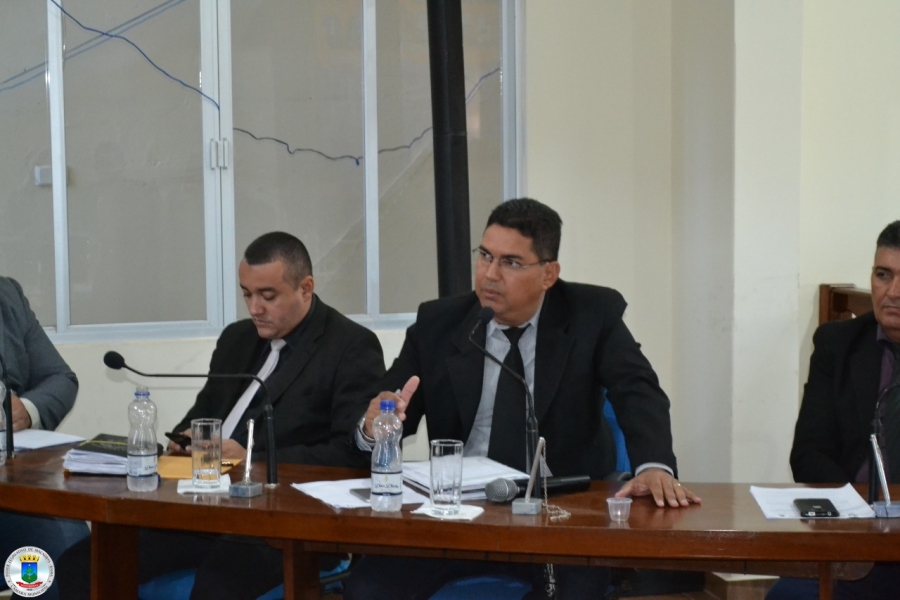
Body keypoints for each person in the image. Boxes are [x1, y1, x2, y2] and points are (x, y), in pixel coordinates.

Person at [344, 198, 699, 599]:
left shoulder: (591, 315)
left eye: (511, 262)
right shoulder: (439, 324)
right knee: (367, 589)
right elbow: (391, 406)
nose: (490, 274)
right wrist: (373, 428)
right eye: (485, 256)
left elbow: (638, 391)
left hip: (558, 516)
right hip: (457, 515)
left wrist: (653, 466)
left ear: (549, 273)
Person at [58, 232, 386, 600]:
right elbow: (202, 413)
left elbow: (349, 455)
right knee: (81, 564)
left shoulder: (350, 346)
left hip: (281, 524)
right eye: (247, 294)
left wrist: (251, 459)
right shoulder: (237, 339)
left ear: (305, 288)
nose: (254, 308)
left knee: (216, 588)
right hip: (203, 511)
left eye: (267, 296)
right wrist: (186, 439)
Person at [766, 221, 900, 600]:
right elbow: (808, 454)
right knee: (788, 596)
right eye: (883, 275)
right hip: (853, 534)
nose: (893, 293)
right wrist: (858, 512)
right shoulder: (838, 344)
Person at [0, 276, 86, 600]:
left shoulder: (7, 295)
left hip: (11, 494)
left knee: (67, 547)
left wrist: (27, 410)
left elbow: (60, 378)